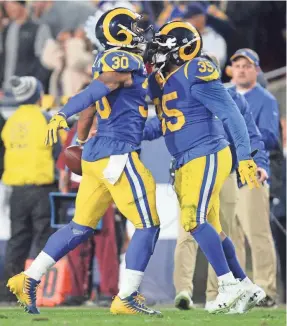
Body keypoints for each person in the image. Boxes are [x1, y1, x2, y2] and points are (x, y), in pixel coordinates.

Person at [7, 8, 161, 316]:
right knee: (148, 225)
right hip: (117, 154)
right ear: (119, 33)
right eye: (132, 27)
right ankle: (126, 296)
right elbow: (95, 91)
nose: (138, 32)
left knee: (80, 226)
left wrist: (79, 141)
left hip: (95, 156)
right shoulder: (121, 61)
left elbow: (90, 106)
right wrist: (64, 114)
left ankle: (29, 277)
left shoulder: (122, 62)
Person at [145, 21, 263, 314]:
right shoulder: (166, 81)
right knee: (215, 229)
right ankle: (245, 284)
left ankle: (227, 285)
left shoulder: (195, 68)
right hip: (186, 160)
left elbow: (230, 112)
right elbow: (162, 124)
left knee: (192, 220)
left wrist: (246, 156)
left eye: (162, 50)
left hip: (206, 153)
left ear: (179, 50)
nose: (157, 55)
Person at [0, 75, 59, 303]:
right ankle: (40, 291)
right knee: (44, 240)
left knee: (17, 240)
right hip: (41, 187)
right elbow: (58, 150)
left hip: (16, 190)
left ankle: (7, 293)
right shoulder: (44, 118)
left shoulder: (11, 121)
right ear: (38, 94)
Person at [230, 49, 279, 307]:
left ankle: (266, 289)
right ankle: (240, 289)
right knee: (232, 235)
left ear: (257, 70)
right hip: (228, 172)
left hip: (251, 170)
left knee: (257, 234)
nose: (241, 69)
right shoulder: (225, 95)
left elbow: (271, 138)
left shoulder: (265, 99)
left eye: (247, 66)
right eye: (236, 65)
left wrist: (243, 136)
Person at [0, 1, 51, 91]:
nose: (8, 9)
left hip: (27, 89)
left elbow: (44, 62)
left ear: (22, 5)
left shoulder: (39, 28)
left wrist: (35, 87)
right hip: (6, 90)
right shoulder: (6, 30)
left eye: (11, 5)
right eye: (6, 6)